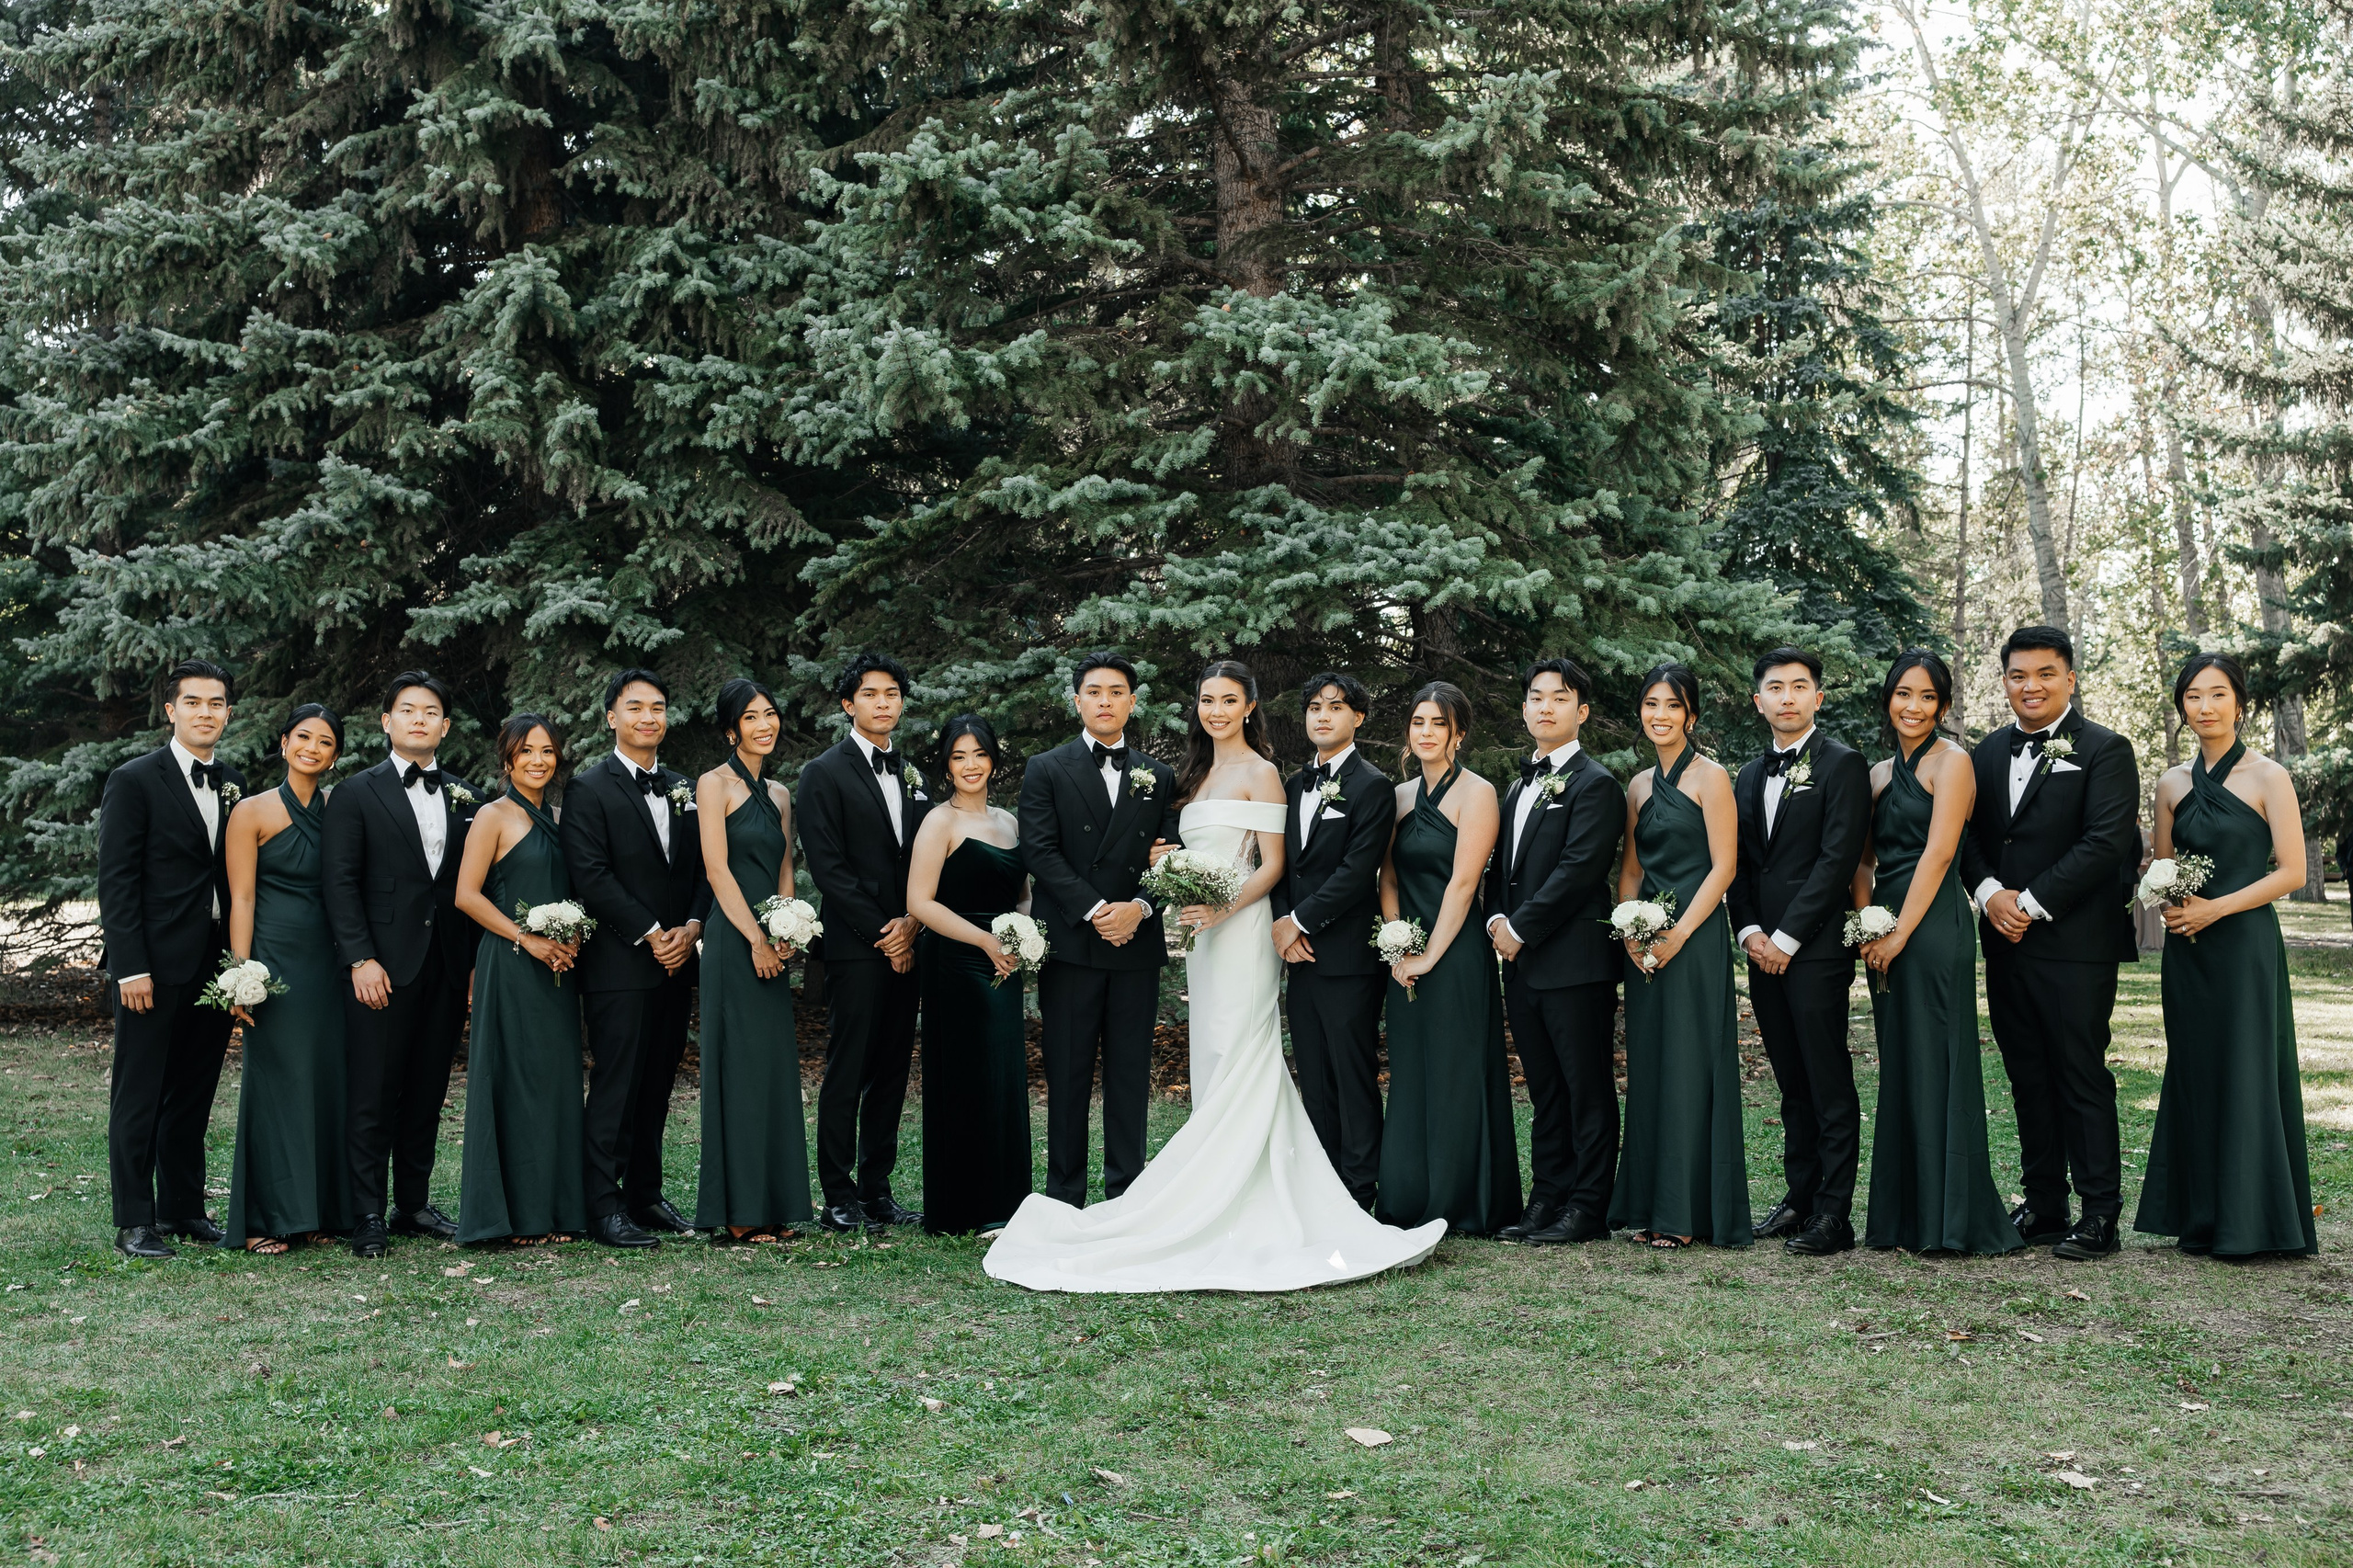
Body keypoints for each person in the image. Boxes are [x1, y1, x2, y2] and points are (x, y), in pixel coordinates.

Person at [983, 661, 1445, 1291]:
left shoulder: (1263, 775)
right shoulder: (1186, 777)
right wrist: (1167, 865)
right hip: (1200, 938)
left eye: (1230, 700)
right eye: (1207, 699)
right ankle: (1207, 1183)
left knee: (1243, 1050)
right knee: (1212, 1054)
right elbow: (1169, 846)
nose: (1217, 710)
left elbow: (1274, 863)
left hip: (1242, 931)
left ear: (1251, 706)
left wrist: (1223, 906)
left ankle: (1250, 1191)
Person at [1957, 626, 2140, 1261]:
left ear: (2069, 677)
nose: (2030, 686)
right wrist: (1987, 892)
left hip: (2074, 944)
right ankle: (2043, 1204)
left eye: (2044, 674)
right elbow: (1968, 834)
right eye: (2018, 675)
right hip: (2004, 943)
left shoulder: (2106, 750)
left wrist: (2027, 903)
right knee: (2027, 1075)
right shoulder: (1981, 755)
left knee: (2080, 1075)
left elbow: (2106, 843)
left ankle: (2099, 1213)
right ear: (2004, 679)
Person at [2135, 653, 2317, 1258]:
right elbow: (2162, 869)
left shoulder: (2269, 777)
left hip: (2244, 948)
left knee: (2247, 1069)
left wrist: (2217, 908)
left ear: (2240, 703)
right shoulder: (2171, 783)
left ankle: (2254, 1220)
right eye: (2193, 696)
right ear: (2181, 705)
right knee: (2197, 1068)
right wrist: (2170, 903)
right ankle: (2204, 1215)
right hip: (2189, 952)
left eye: (2218, 695)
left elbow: (2291, 872)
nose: (2205, 707)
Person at [1852, 653, 2020, 1256]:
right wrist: (1869, 923)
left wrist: (1899, 933)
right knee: (1899, 1060)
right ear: (1888, 700)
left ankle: (1949, 1218)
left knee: (1938, 1060)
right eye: (1903, 694)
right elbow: (1864, 860)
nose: (1913, 706)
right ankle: (1901, 1217)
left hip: (1932, 927)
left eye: (1927, 697)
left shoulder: (1954, 764)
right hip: (1885, 928)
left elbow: (1941, 852)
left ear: (1943, 706)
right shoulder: (1874, 775)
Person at [321, 671, 483, 1258]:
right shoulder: (356, 794)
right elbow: (339, 885)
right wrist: (360, 958)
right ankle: (366, 1212)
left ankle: (411, 1203)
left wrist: (468, 967)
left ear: (445, 725)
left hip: (444, 967)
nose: (419, 718)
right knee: (372, 1091)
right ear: (387, 722)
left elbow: (467, 887)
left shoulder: (466, 797)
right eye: (407, 710)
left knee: (427, 1090)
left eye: (431, 710)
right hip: (380, 969)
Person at [97, 659, 246, 1259]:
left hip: (213, 964)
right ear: (171, 711)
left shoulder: (233, 781)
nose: (205, 712)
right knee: (140, 1093)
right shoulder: (134, 780)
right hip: (151, 967)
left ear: (228, 712)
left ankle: (183, 1207)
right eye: (194, 703)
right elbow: (117, 879)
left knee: (193, 1091)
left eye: (216, 703)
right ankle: (135, 1221)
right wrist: (130, 965)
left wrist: (239, 964)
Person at [1014, 653, 1176, 1207]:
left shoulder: (1161, 773)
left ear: (1133, 700)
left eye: (1116, 691)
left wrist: (1140, 908)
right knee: (1068, 1071)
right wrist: (1099, 909)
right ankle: (1064, 1194)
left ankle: (1127, 1194)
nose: (1105, 701)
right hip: (1073, 942)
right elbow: (1040, 850)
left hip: (1136, 945)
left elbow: (1171, 856)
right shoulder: (1046, 767)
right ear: (1076, 700)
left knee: (1129, 1075)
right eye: (1094, 691)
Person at [1727, 648, 1870, 1256]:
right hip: (1762, 950)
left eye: (1799, 686)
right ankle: (1800, 1197)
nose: (1787, 697)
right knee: (1790, 1081)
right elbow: (1737, 863)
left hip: (1813, 951)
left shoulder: (1842, 765)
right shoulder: (1749, 775)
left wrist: (1786, 938)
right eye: (1775, 688)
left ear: (1818, 697)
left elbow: (1837, 860)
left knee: (1827, 1078)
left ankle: (1834, 1215)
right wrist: (1750, 932)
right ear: (1758, 700)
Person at [561, 668, 710, 1248]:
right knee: (617, 1082)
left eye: (658, 707)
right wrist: (652, 932)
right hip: (620, 962)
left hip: (677, 960)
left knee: (658, 1082)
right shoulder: (588, 787)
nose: (648, 717)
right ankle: (601, 1206)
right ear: (611, 717)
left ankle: (645, 1195)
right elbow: (590, 875)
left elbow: (701, 867)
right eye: (635, 707)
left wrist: (691, 927)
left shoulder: (683, 785)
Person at [1486, 657, 1627, 1246]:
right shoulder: (1518, 785)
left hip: (1574, 963)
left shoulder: (1596, 784)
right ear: (1524, 709)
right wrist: (1497, 916)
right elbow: (1505, 868)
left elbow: (1578, 871)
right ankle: (1546, 1197)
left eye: (1560, 698)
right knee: (1544, 1088)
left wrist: (1519, 929)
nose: (1546, 706)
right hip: (1522, 967)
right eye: (1537, 697)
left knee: (1585, 1086)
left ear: (1582, 712)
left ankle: (1587, 1207)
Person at [1609, 665, 1750, 1248]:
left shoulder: (1711, 778)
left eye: (1672, 705)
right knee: (1650, 1068)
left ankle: (1685, 1213)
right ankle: (1647, 1203)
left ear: (1690, 714)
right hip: (1644, 942)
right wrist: (1631, 929)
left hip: (1694, 942)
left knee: (1691, 1067)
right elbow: (1632, 870)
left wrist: (1679, 934)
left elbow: (1725, 867)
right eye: (1650, 704)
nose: (1659, 715)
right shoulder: (1638, 786)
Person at [1376, 681, 1522, 1236]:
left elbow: (1463, 885)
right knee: (1411, 1073)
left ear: (1458, 734)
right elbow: (1387, 875)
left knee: (1457, 1072)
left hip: (1454, 954)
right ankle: (1408, 1198)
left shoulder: (1477, 793)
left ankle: (1462, 1201)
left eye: (1438, 723)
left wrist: (1430, 955)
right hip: (1405, 953)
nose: (1426, 733)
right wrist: (1396, 941)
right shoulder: (1399, 796)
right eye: (1418, 722)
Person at [798, 651, 930, 1233]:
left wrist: (913, 925)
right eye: (871, 694)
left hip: (912, 938)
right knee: (848, 1068)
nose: (883, 703)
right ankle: (838, 1194)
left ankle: (878, 1189)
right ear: (848, 704)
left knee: (893, 1070)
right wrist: (886, 933)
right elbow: (829, 868)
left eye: (892, 694)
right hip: (858, 946)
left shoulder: (913, 771)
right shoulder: (823, 773)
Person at [450, 716, 591, 1247]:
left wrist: (570, 936)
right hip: (509, 964)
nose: (538, 760)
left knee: (554, 1082)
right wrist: (525, 939)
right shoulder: (493, 815)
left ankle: (555, 1210)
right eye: (526, 750)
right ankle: (511, 1216)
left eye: (548, 751)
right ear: (507, 758)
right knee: (512, 1080)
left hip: (558, 967)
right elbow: (467, 895)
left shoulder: (561, 816)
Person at [223, 704, 353, 1254]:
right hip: (273, 963)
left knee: (327, 1082)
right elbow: (243, 898)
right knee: (275, 1084)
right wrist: (239, 974)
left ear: (336, 755)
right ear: (283, 743)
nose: (313, 748)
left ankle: (319, 1212)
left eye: (325, 742)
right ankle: (263, 1217)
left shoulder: (342, 810)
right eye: (304, 737)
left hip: (329, 964)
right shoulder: (250, 812)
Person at [693, 679, 813, 1242]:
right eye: (750, 717)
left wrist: (787, 929)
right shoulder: (713, 785)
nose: (764, 724)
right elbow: (716, 869)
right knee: (737, 1071)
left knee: (770, 1072)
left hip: (773, 939)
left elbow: (785, 867)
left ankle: (777, 1205)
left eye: (770, 714)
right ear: (730, 729)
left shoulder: (783, 795)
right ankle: (737, 1211)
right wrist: (756, 940)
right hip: (732, 941)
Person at [905, 715, 1034, 1235]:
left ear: (993, 760)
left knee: (1003, 1076)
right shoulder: (940, 822)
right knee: (966, 1076)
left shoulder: (1012, 823)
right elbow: (918, 901)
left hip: (1006, 963)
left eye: (978, 754)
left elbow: (1022, 892)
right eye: (959, 757)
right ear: (946, 765)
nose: (970, 765)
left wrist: (1025, 931)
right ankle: (965, 1207)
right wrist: (984, 939)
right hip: (957, 962)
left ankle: (1006, 1203)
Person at [1270, 673, 1392, 1210]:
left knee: (1353, 1072)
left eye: (1336, 707)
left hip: (1346, 956)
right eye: (1314, 707)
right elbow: (1277, 865)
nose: (1322, 716)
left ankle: (1362, 1188)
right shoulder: (1291, 786)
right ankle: (1323, 1186)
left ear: (1357, 718)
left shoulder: (1372, 785)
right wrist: (1282, 924)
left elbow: (1357, 868)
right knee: (1314, 1074)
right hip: (1299, 957)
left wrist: (1298, 920)